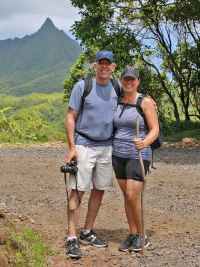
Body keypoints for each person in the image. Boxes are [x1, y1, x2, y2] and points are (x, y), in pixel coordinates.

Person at [64, 51, 118, 259]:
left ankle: (87, 231)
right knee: (77, 191)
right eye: (101, 63)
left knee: (99, 189)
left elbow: (133, 97)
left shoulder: (116, 87)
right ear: (95, 66)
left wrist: (149, 102)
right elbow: (70, 117)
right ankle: (71, 238)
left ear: (113, 67)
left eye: (108, 64)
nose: (104, 67)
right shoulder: (82, 86)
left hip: (106, 146)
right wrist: (72, 147)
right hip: (84, 144)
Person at [112, 66, 159, 252]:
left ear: (138, 81)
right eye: (125, 79)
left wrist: (144, 142)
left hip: (138, 154)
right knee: (127, 196)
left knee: (132, 195)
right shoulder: (118, 101)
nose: (128, 82)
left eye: (132, 79)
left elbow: (155, 129)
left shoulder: (145, 101)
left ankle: (142, 235)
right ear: (122, 81)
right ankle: (133, 234)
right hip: (119, 154)